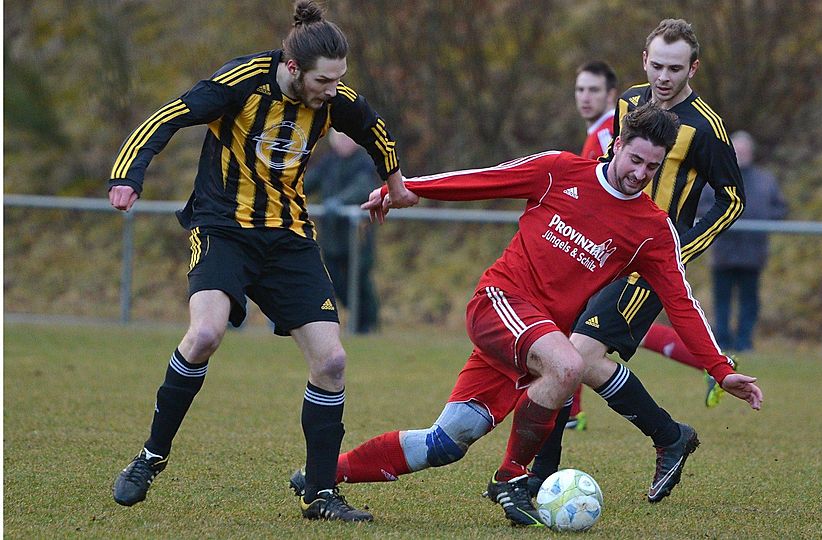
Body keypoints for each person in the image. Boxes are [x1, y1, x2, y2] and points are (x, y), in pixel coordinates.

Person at [289, 105, 764, 526]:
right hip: (499, 302)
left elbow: (681, 302)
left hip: (536, 340)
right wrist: (407, 188)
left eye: (652, 167)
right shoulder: (559, 171)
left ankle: (323, 473)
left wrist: (721, 371)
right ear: (616, 145)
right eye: (635, 159)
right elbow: (484, 179)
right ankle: (512, 479)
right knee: (569, 365)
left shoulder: (651, 229)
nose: (640, 173)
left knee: (447, 442)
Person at [106, 0, 417, 523]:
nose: (332, 90)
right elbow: (170, 115)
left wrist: (397, 186)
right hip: (223, 227)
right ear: (293, 68)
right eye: (323, 80)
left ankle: (320, 495)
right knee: (204, 335)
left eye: (339, 80)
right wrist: (128, 174)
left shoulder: (332, 98)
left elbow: (373, 129)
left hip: (288, 237)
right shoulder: (242, 81)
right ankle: (150, 457)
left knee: (333, 362)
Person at [529, 18, 747, 491]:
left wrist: (679, 252)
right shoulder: (628, 102)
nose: (664, 78)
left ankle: (543, 475)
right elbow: (610, 169)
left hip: (646, 263)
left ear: (693, 68)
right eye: (657, 66)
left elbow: (732, 199)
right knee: (560, 352)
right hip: (599, 252)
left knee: (575, 356)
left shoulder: (704, 128)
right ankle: (666, 437)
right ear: (644, 61)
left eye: (676, 68)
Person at [566, 60, 620, 431]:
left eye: (594, 90)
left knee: (586, 325)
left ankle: (569, 411)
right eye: (581, 90)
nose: (586, 97)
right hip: (593, 247)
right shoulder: (597, 132)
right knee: (592, 325)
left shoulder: (606, 136)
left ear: (610, 95)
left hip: (601, 250)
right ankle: (569, 412)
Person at [698, 131, 787, 352]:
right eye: (737, 150)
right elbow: (700, 206)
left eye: (745, 151)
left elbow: (780, 208)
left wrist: (762, 220)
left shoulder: (765, 180)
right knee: (722, 302)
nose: (741, 155)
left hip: (753, 253)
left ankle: (744, 342)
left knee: (749, 301)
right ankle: (723, 341)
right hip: (723, 253)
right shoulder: (716, 178)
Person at [303, 129, 382, 334]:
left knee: (360, 279)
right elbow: (307, 183)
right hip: (332, 237)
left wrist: (341, 202)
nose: (344, 143)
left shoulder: (363, 163)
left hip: (357, 236)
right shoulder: (328, 163)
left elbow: (363, 187)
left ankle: (368, 323)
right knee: (336, 280)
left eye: (348, 139)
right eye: (340, 139)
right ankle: (356, 319)